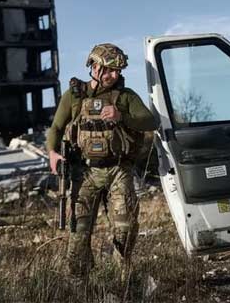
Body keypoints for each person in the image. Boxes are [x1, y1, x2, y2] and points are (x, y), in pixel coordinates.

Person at [46, 43, 156, 277]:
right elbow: (56, 127)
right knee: (78, 234)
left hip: (118, 170)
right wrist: (52, 152)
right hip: (84, 173)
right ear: (95, 68)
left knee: (126, 227)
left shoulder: (125, 97)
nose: (113, 76)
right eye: (109, 70)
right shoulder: (74, 96)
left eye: (117, 71)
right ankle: (81, 283)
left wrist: (121, 116)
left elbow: (150, 121)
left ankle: (120, 275)